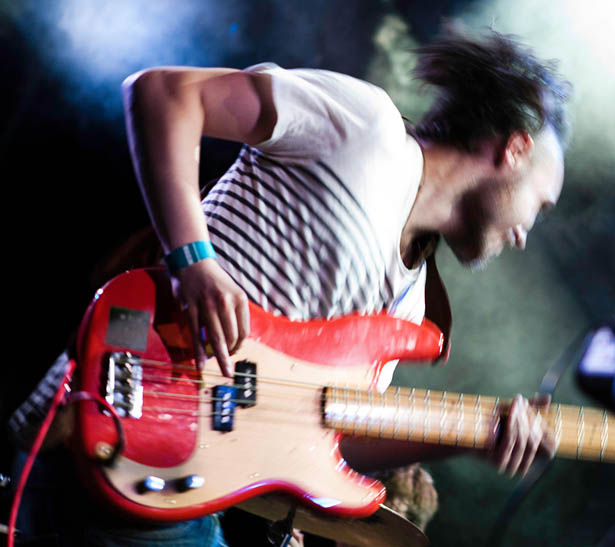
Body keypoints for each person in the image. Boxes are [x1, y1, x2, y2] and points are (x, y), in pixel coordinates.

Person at [9, 26, 569, 545]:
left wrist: (472, 435)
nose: (524, 235)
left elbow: (328, 433)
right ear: (514, 148)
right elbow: (163, 94)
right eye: (539, 206)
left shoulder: (412, 303)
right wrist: (195, 261)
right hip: (101, 417)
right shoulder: (365, 128)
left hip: (173, 486)